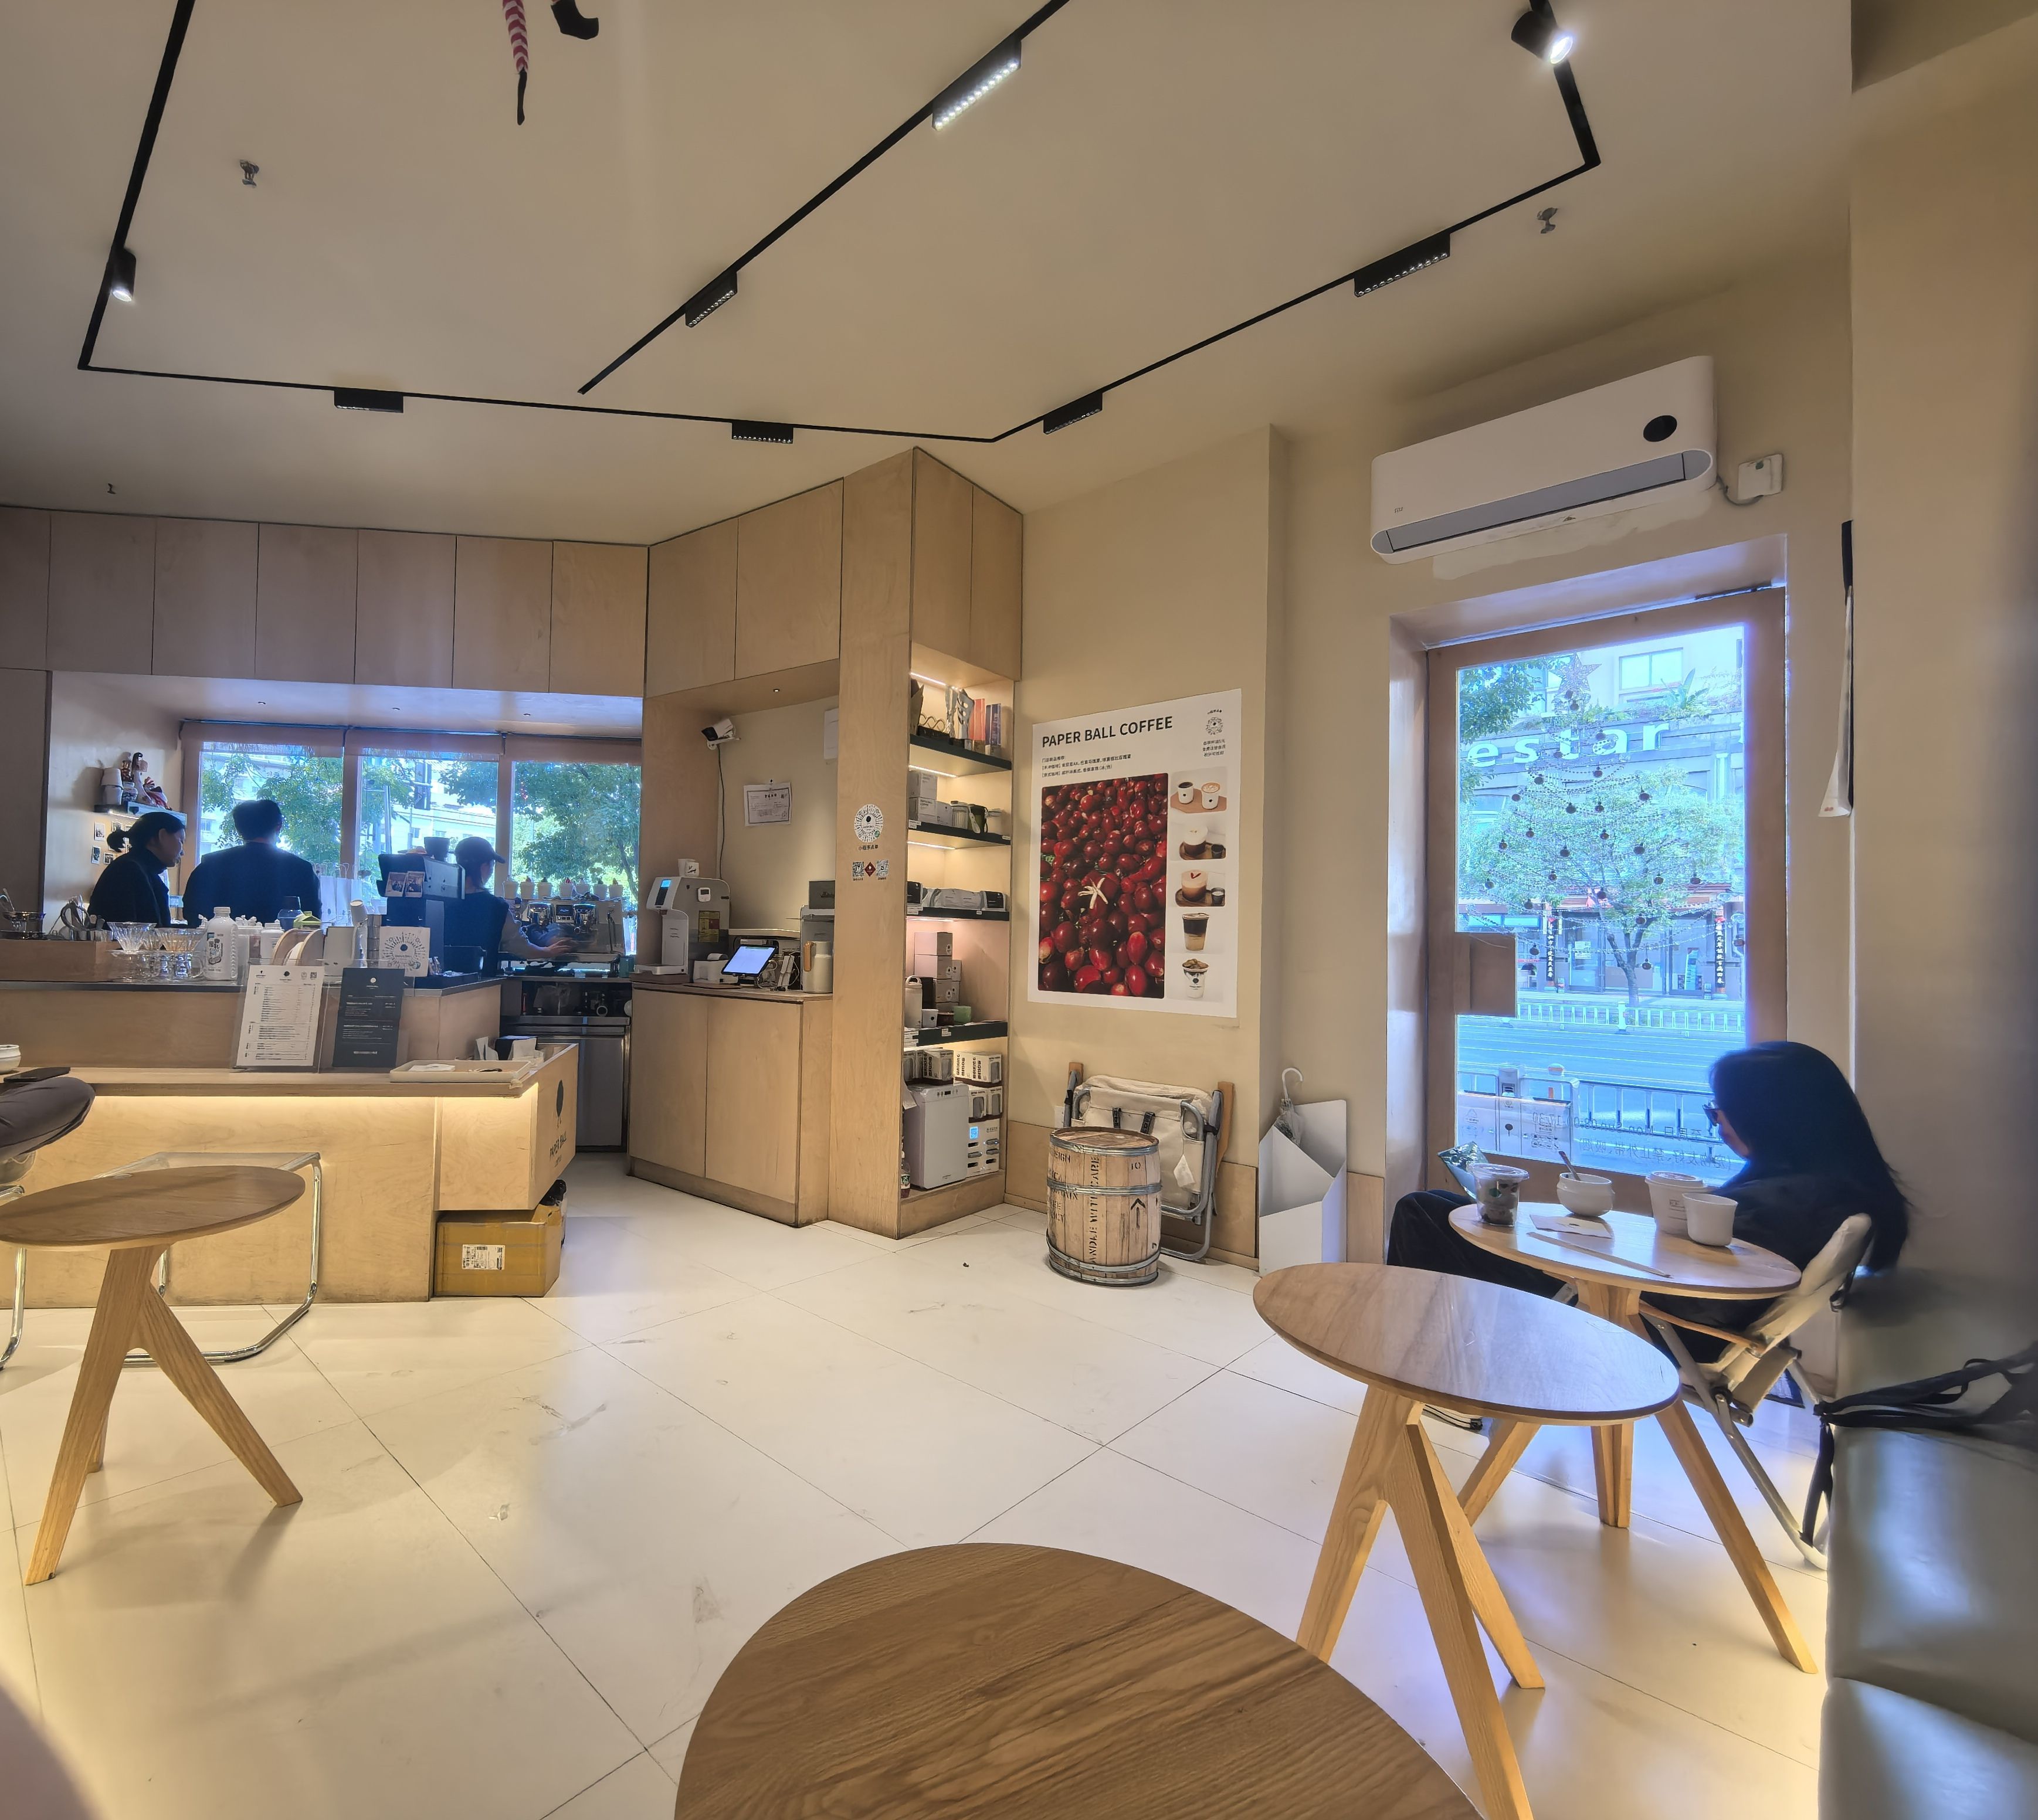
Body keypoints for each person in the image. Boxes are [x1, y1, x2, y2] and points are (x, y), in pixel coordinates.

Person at [1388, 1041, 1908, 1345]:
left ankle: (1422, 1355)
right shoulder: (1823, 1187)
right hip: (1644, 1304)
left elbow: (1684, 1292)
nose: (1717, 1123)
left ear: (1771, 1119)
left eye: (1720, 1112)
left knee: (1424, 1211)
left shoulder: (1782, 1202)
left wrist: (1570, 1251)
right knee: (1446, 1209)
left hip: (1633, 1316)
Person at [182, 799, 324, 926]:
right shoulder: (301, 869)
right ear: (278, 826)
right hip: (284, 946)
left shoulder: (209, 865)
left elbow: (192, 914)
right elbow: (312, 921)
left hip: (219, 945)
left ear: (239, 828)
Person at [440, 836, 571, 970]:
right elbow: (519, 946)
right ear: (484, 866)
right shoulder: (495, 907)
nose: (491, 871)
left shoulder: (441, 901)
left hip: (442, 978)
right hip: (482, 980)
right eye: (492, 865)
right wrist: (547, 951)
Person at [84, 810, 184, 926]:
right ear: (162, 836)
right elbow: (129, 931)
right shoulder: (128, 870)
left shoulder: (138, 868)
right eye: (181, 841)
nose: (183, 852)